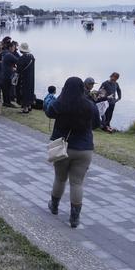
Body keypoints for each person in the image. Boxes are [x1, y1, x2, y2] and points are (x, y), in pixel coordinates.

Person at [45, 77, 101, 228]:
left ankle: (54, 206)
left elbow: (49, 112)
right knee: (77, 183)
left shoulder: (61, 103)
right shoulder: (90, 105)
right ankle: (74, 218)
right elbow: (97, 124)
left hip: (62, 147)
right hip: (84, 149)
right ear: (83, 88)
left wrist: (60, 96)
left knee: (60, 178)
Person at [17, 43, 35, 113]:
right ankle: (29, 106)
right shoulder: (31, 56)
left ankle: (25, 108)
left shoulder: (22, 58)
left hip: (24, 77)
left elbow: (19, 69)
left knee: (24, 92)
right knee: (30, 91)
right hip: (31, 77)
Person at [1, 41, 19, 108]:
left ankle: (6, 102)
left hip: (4, 73)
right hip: (7, 74)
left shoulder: (5, 53)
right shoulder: (9, 55)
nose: (15, 49)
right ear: (10, 47)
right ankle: (7, 102)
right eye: (14, 47)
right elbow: (18, 61)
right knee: (8, 89)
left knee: (5, 89)